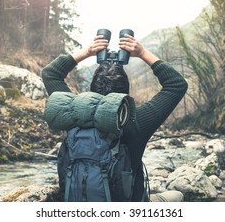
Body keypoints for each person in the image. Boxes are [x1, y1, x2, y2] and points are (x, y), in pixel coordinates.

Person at [42, 32, 188, 202]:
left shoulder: (72, 113)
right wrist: (142, 53)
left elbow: (50, 73)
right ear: (125, 95)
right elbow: (176, 84)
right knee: (176, 195)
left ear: (92, 90)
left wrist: (88, 51)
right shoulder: (135, 121)